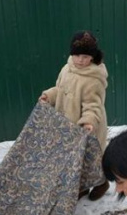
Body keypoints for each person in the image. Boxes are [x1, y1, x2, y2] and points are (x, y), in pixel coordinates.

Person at [39, 30, 110, 201]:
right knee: (74, 161)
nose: (80, 60)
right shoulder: (67, 68)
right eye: (77, 55)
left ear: (92, 57)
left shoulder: (93, 78)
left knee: (89, 159)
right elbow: (60, 89)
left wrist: (88, 121)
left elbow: (93, 105)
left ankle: (102, 183)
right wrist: (49, 96)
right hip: (67, 124)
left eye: (85, 56)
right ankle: (82, 188)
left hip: (87, 125)